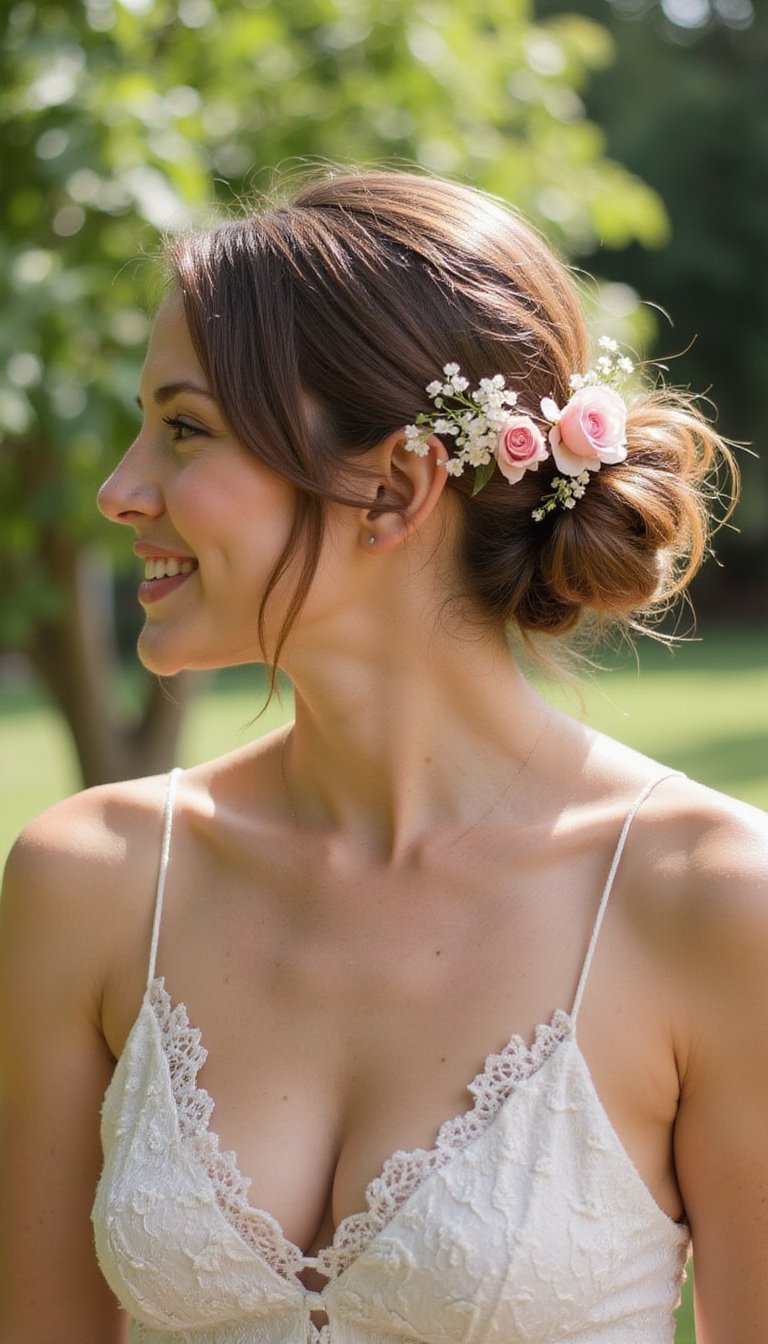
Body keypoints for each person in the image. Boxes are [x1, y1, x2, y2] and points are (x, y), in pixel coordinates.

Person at [0, 169, 766, 1344]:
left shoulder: (709, 905)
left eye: (184, 428)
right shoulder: (90, 883)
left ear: (397, 484)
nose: (119, 490)